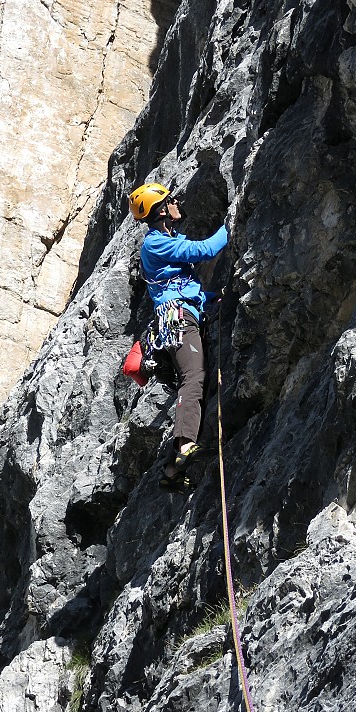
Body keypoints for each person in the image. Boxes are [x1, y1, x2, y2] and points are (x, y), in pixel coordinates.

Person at [128, 182, 228, 490]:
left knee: (195, 377)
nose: (176, 204)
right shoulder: (154, 243)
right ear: (161, 211)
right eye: (171, 201)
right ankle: (185, 443)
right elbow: (205, 250)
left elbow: (185, 288)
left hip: (182, 315)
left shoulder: (164, 242)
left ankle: (171, 472)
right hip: (177, 320)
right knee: (194, 376)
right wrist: (231, 223)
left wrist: (213, 298)